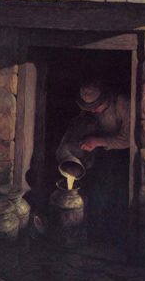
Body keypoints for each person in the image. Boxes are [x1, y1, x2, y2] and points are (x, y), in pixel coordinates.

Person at [56, 80, 130, 248]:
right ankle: (96, 237)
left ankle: (116, 240)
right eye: (90, 108)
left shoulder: (122, 104)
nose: (93, 110)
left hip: (121, 155)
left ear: (106, 97)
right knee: (97, 192)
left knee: (117, 195)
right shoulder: (90, 111)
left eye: (97, 106)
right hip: (101, 154)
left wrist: (98, 141)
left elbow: (128, 139)